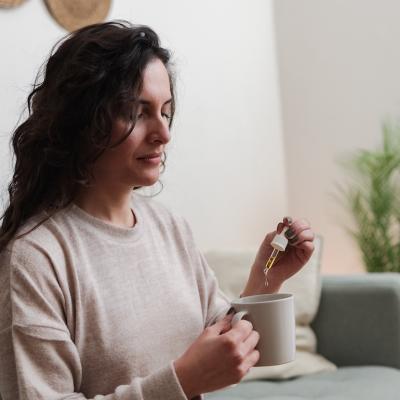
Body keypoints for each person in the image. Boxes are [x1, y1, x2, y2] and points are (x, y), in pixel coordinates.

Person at [0, 20, 315, 400]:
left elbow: (223, 346)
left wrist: (266, 277)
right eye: (137, 112)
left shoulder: (168, 226)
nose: (163, 133)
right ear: (81, 120)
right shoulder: (34, 257)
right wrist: (181, 382)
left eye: (165, 111)